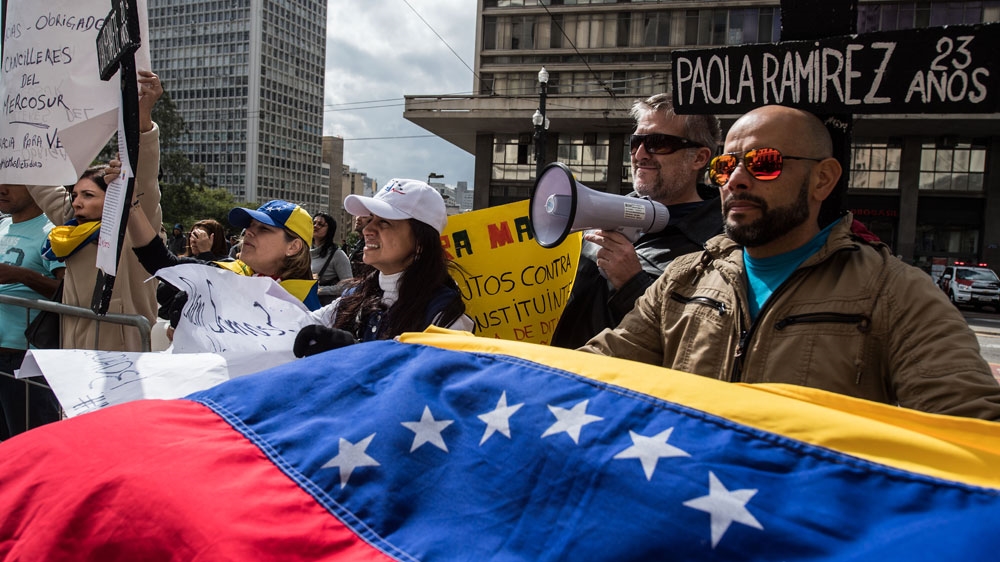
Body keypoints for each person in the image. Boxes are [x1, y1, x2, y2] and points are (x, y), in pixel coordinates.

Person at [580, 104, 1000, 420]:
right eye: (726, 167)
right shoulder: (685, 277)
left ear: (823, 179)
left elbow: (970, 426)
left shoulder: (894, 291)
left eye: (764, 163)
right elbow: (595, 367)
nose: (736, 179)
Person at [551, 94, 723, 348]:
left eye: (658, 143)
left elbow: (699, 342)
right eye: (636, 142)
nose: (640, 154)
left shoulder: (719, 246)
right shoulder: (601, 216)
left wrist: (633, 284)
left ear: (699, 158)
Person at [29, 70, 164, 352]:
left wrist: (143, 118)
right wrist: (21, 132)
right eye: (74, 195)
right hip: (74, 356)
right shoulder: (71, 229)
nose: (77, 202)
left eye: (88, 195)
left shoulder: (136, 229)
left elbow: (145, 179)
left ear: (115, 197)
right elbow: (38, 180)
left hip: (125, 358)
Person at [294, 179, 472, 357]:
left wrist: (355, 354)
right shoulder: (355, 296)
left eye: (384, 222)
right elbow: (298, 326)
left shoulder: (444, 316)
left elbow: (435, 372)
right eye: (371, 219)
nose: (367, 230)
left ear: (421, 242)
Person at [126, 197, 321, 321]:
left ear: (293, 247)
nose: (249, 232)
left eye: (264, 228)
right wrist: (132, 205)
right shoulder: (226, 272)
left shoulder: (307, 310)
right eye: (250, 225)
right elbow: (161, 263)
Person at [0, 184, 64, 438]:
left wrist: (22, 276)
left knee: (32, 444)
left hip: (26, 361)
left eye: (13, 182)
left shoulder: (54, 232)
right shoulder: (3, 226)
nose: (2, 189)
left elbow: (70, 293)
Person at [310, 213, 352, 306]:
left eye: (320, 224)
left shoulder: (337, 254)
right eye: (314, 223)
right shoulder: (305, 252)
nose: (315, 226)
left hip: (324, 307)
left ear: (330, 230)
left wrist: (320, 290)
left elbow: (348, 285)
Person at [346, 213, 373, 278]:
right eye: (358, 214)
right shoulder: (358, 243)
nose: (358, 218)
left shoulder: (372, 246)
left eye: (364, 216)